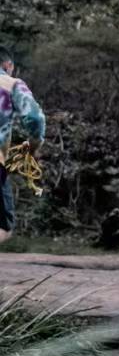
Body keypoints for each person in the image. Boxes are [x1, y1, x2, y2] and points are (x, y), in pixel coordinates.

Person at [0, 48, 46, 244]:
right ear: (8, 65)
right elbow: (35, 118)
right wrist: (34, 147)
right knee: (4, 226)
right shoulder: (11, 84)